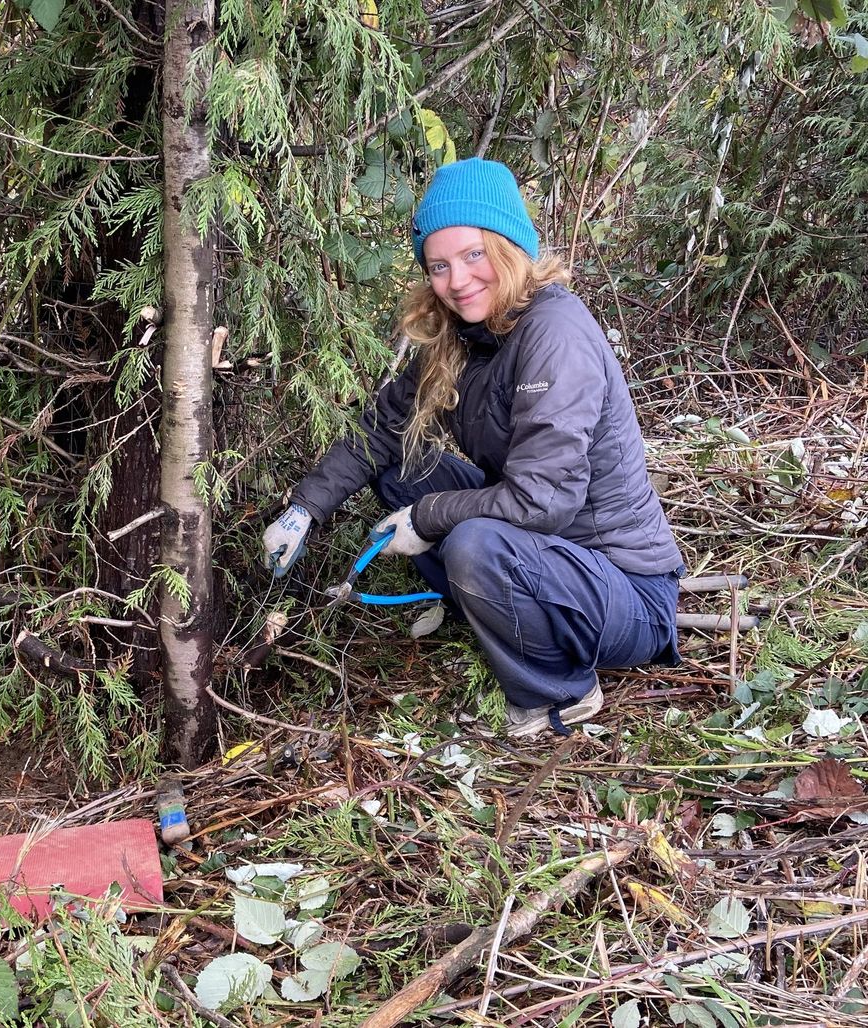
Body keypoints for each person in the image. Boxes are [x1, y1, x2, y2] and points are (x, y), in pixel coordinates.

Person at [261, 157, 684, 738]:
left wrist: (429, 517)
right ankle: (485, 607)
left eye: (473, 255)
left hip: (623, 591)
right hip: (548, 552)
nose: (457, 280)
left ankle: (559, 691)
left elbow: (542, 504)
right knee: (406, 467)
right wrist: (303, 508)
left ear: (510, 247)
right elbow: (383, 428)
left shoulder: (554, 335)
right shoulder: (463, 335)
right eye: (439, 265)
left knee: (474, 541)